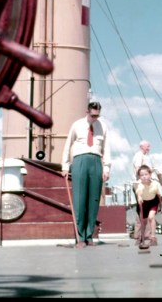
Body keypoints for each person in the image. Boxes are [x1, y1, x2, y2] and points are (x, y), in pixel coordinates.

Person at [61, 101, 111, 249]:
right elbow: (67, 144)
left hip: (96, 161)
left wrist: (106, 168)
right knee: (79, 199)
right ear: (87, 112)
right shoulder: (77, 125)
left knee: (94, 200)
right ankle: (80, 237)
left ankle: (89, 235)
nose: (95, 118)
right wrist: (65, 165)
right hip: (80, 160)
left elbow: (106, 148)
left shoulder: (103, 126)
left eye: (97, 115)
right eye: (93, 115)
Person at [131, 140, 162, 241]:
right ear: (142, 147)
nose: (149, 148)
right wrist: (148, 173)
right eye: (148, 146)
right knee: (141, 208)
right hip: (140, 184)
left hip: (147, 184)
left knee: (146, 210)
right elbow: (138, 169)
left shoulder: (144, 156)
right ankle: (140, 234)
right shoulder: (139, 156)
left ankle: (146, 234)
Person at [135, 164, 162, 247]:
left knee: (151, 217)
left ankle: (153, 237)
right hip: (143, 203)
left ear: (150, 175)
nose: (144, 177)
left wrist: (160, 206)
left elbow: (159, 195)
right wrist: (139, 197)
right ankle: (141, 237)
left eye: (146, 174)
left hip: (153, 202)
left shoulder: (155, 184)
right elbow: (139, 192)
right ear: (139, 177)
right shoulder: (140, 184)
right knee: (143, 221)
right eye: (141, 175)